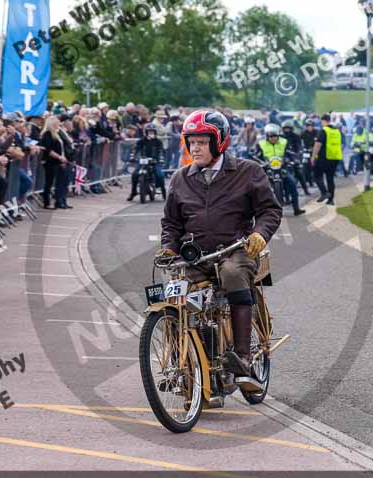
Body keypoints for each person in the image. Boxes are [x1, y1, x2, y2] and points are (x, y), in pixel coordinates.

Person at [159, 109, 282, 377]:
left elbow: (270, 210)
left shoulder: (248, 172)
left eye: (201, 142)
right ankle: (182, 362)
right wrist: (168, 247)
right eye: (191, 142)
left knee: (233, 273)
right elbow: (171, 223)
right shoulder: (180, 178)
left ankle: (243, 357)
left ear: (219, 142)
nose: (195, 148)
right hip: (194, 257)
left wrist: (260, 234)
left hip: (234, 250)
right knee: (173, 294)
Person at [256, 124, 305, 216]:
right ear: (267, 136)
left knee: (292, 183)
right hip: (267, 169)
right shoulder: (261, 144)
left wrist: (294, 160)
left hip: (283, 168)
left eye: (275, 136)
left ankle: (296, 208)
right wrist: (260, 162)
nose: (274, 138)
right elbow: (255, 155)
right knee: (258, 187)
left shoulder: (284, 142)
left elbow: (291, 153)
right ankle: (259, 210)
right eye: (271, 136)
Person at [38, 116, 72, 209]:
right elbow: (48, 150)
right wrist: (59, 157)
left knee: (55, 182)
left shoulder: (56, 134)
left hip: (57, 161)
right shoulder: (47, 134)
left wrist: (62, 158)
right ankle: (46, 202)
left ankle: (58, 201)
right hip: (50, 161)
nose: (59, 124)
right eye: (57, 122)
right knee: (48, 182)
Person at [128, 123, 166, 201]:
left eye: (152, 132)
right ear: (146, 132)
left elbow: (161, 151)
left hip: (155, 161)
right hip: (143, 161)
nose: (151, 133)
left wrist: (160, 158)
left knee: (160, 175)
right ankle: (133, 191)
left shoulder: (158, 141)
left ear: (155, 132)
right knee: (135, 174)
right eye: (149, 132)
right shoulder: (141, 141)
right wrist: (132, 157)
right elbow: (136, 150)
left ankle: (163, 191)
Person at [312, 114, 342, 206]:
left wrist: (313, 156)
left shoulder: (323, 130)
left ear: (323, 121)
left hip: (324, 158)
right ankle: (331, 200)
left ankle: (325, 192)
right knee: (330, 178)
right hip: (335, 158)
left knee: (317, 177)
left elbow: (318, 144)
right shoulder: (337, 131)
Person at [281, 119, 309, 196]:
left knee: (299, 172)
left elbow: (299, 147)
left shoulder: (296, 136)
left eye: (288, 128)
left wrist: (297, 157)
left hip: (293, 156)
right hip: (282, 156)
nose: (287, 130)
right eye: (285, 128)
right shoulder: (280, 136)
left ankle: (305, 189)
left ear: (291, 128)